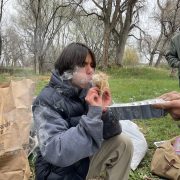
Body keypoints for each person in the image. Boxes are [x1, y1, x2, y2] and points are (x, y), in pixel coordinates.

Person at [32, 42, 133, 180]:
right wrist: (92, 115)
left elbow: (112, 133)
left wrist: (103, 111)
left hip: (83, 160)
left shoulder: (87, 91)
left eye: (92, 65)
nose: (90, 70)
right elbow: (57, 151)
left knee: (123, 143)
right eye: (83, 64)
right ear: (67, 68)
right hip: (58, 172)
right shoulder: (45, 101)